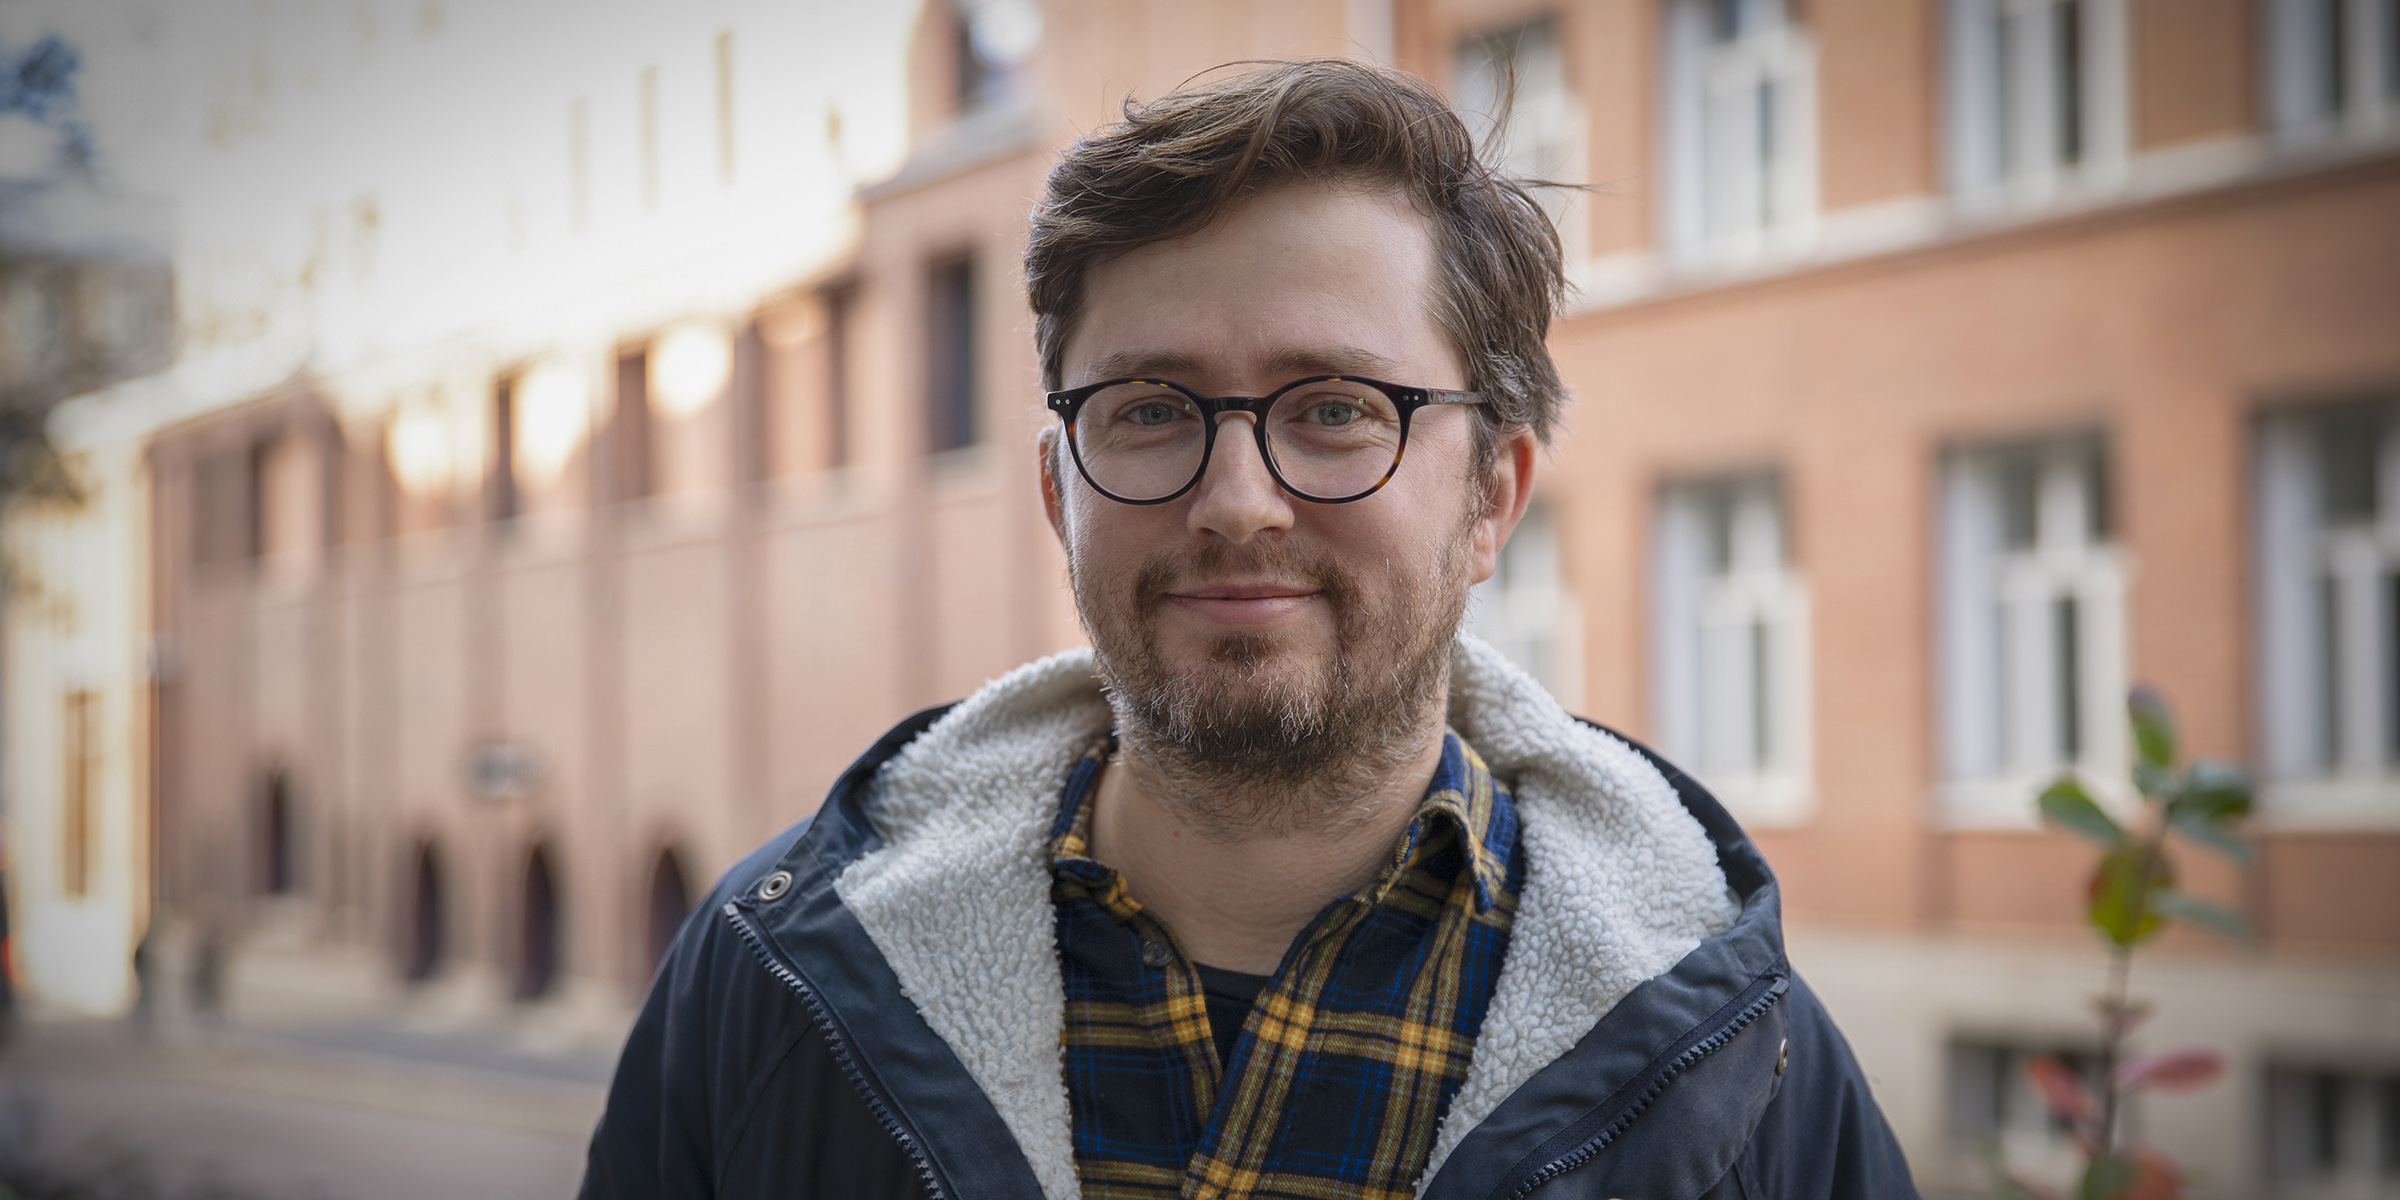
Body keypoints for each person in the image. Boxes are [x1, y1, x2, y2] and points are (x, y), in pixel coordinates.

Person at [581, 59, 1916, 1200]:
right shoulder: (780, 991)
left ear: (1491, 497)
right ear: (1059, 493)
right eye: (1153, 409)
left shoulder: (1746, 1077)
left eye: (1336, 407)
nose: (1239, 505)